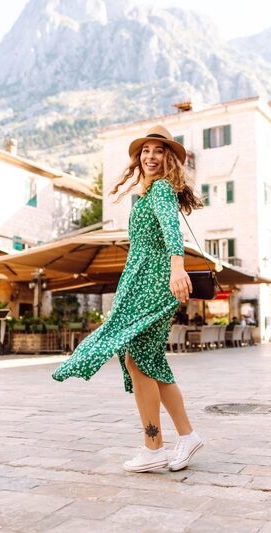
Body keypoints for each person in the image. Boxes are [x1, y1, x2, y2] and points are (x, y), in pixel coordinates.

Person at [52, 125, 204, 473]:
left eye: (159, 151)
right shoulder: (148, 194)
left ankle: (155, 447)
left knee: (138, 360)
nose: (151, 156)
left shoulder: (163, 190)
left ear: (169, 158)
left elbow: (171, 231)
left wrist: (177, 269)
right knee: (147, 362)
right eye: (146, 150)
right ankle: (183, 438)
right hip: (139, 282)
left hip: (152, 285)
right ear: (139, 157)